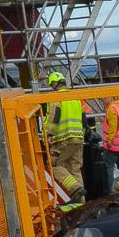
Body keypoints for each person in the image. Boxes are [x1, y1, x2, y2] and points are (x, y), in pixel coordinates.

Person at [44, 72, 85, 202]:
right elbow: (83, 119)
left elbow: (54, 117)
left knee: (53, 165)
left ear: (55, 84)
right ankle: (81, 202)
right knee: (75, 169)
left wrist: (49, 134)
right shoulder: (75, 97)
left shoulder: (56, 97)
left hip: (63, 139)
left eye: (52, 85)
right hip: (78, 137)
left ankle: (75, 188)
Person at [101, 96, 119, 188]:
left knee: (108, 166)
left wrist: (109, 140)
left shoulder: (111, 109)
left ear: (112, 98)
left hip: (113, 144)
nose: (102, 99)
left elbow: (113, 127)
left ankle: (109, 190)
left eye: (105, 97)